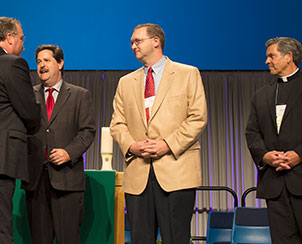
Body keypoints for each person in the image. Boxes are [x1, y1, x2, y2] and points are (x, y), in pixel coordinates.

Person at [110, 23, 207, 244]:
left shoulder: (187, 73)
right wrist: (132, 146)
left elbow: (197, 117)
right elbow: (117, 123)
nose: (133, 45)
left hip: (176, 171)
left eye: (138, 40)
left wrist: (168, 144)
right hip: (138, 174)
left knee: (176, 238)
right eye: (131, 42)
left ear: (156, 41)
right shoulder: (125, 82)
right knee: (141, 238)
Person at [22, 44, 96, 244]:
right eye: (38, 62)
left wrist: (68, 153)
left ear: (60, 63)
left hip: (67, 180)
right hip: (35, 181)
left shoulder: (80, 95)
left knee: (68, 239)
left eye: (46, 60)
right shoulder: (28, 96)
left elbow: (87, 131)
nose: (41, 66)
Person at [246, 37, 302, 243]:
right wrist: (266, 156)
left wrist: (299, 155)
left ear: (289, 57)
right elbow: (251, 133)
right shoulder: (261, 95)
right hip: (275, 184)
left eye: (272, 56)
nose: (267, 61)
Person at [0, 17, 41, 243]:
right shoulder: (12, 64)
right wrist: (31, 128)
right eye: (22, 38)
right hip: (3, 156)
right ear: (9, 37)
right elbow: (28, 111)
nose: (23, 45)